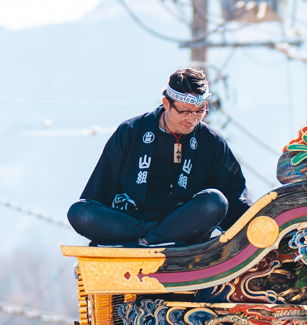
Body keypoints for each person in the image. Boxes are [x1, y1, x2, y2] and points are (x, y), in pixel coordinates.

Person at [70, 67, 249, 249]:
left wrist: (257, 225)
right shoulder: (130, 132)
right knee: (79, 212)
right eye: (185, 112)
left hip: (181, 222)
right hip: (131, 220)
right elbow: (99, 192)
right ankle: (154, 238)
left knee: (215, 201)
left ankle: (148, 241)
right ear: (166, 103)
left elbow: (235, 194)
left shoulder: (211, 140)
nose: (192, 120)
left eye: (200, 112)